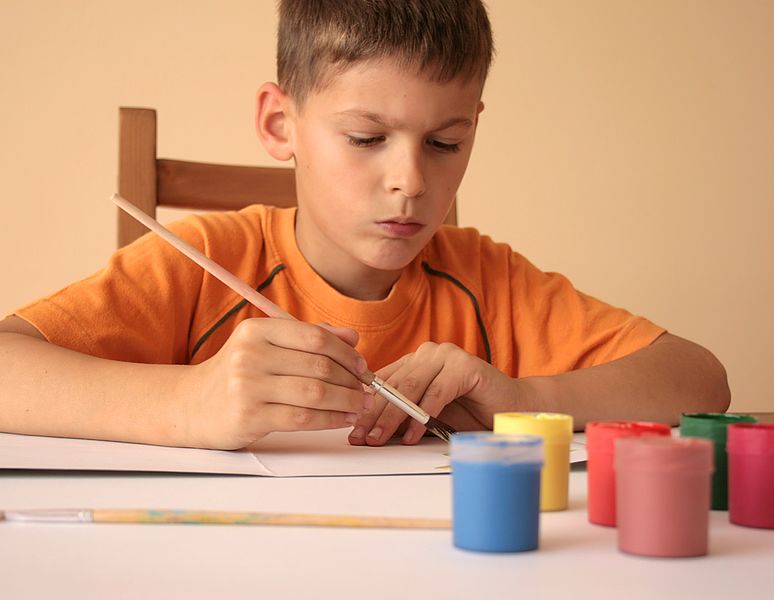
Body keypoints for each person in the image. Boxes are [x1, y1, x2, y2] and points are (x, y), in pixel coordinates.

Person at [0, 0, 729, 451]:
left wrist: (525, 401)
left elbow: (699, 381)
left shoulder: (487, 280)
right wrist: (190, 403)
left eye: (444, 144)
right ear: (279, 124)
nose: (411, 181)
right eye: (365, 137)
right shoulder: (198, 263)